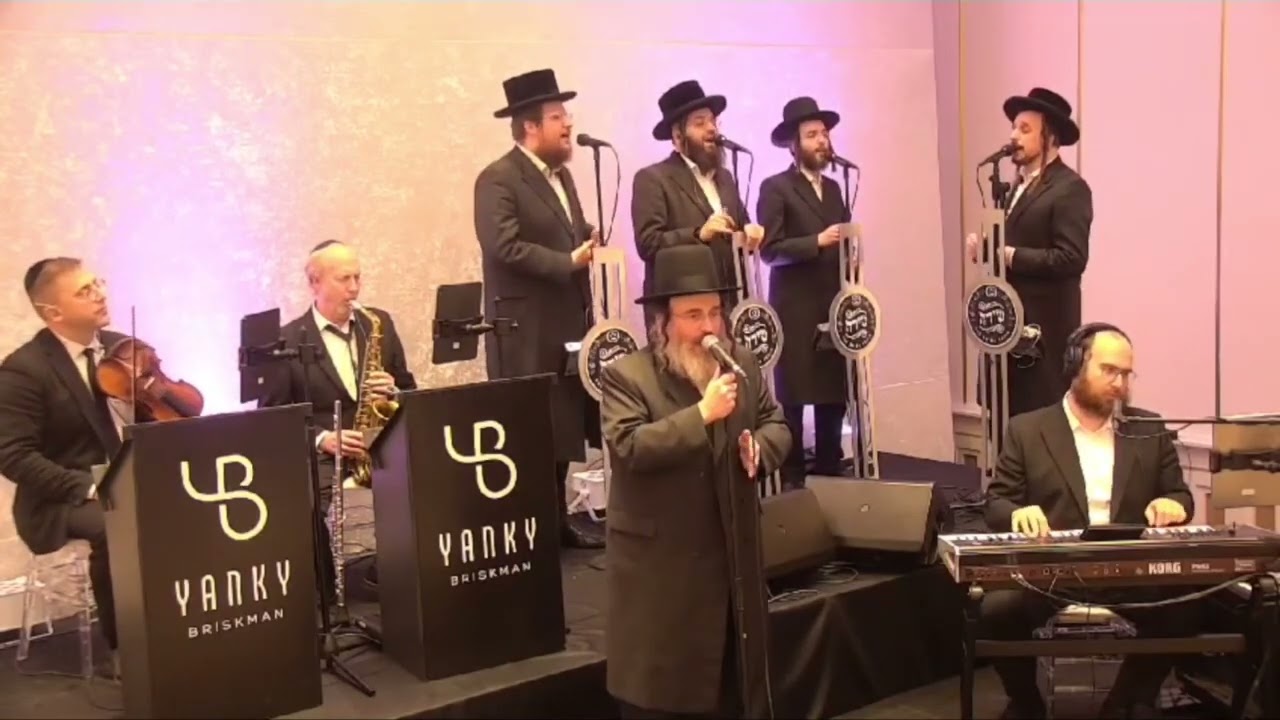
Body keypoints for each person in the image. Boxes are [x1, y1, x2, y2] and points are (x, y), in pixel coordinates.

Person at [600, 244, 791, 719]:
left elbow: (775, 423)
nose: (709, 328)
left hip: (732, 567)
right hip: (664, 577)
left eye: (714, 313)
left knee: (733, 690)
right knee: (667, 696)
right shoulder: (627, 376)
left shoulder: (740, 362)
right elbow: (630, 446)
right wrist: (702, 414)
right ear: (662, 322)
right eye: (692, 315)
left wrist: (760, 449)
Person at [982, 323, 1197, 719]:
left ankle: (1126, 702)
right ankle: (1027, 704)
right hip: (1053, 571)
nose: (1119, 384)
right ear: (1076, 365)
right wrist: (1016, 512)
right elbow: (995, 502)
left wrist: (1173, 504)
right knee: (997, 609)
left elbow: (1181, 495)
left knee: (1189, 602)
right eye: (1109, 371)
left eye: (1126, 374)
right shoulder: (1027, 429)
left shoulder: (1148, 429)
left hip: (1129, 571)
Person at [473, 68, 602, 549]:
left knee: (563, 423)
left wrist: (586, 237)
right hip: (524, 329)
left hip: (566, 321)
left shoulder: (561, 175)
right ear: (530, 126)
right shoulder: (498, 179)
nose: (568, 124)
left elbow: (564, 231)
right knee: (530, 429)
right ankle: (530, 525)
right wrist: (567, 261)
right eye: (557, 116)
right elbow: (503, 245)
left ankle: (557, 519)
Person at [0, 257, 143, 680]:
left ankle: (186, 622)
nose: (100, 294)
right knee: (117, 526)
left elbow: (160, 413)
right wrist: (89, 487)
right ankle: (127, 646)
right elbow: (13, 455)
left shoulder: (122, 348)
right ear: (54, 313)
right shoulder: (24, 370)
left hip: (127, 481)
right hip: (60, 500)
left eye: (97, 283)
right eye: (84, 291)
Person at [258, 240, 415, 595]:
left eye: (358, 277)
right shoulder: (286, 341)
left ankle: (395, 572)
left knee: (427, 475)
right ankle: (324, 592)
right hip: (325, 451)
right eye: (344, 279)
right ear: (314, 283)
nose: (355, 288)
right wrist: (322, 439)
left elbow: (409, 388)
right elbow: (272, 416)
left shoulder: (378, 323)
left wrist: (393, 391)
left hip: (378, 441)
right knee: (305, 501)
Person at [967, 87, 1093, 417]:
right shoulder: (1014, 189)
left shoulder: (1070, 188)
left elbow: (1071, 258)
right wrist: (986, 250)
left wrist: (1009, 255)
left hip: (1042, 338)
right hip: (1004, 330)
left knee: (1035, 425)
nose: (1013, 136)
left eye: (1025, 129)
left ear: (1049, 136)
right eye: (1013, 127)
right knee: (1003, 422)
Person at [756, 96, 852, 489]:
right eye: (812, 135)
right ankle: (792, 478)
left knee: (833, 394)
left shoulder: (835, 188)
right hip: (794, 309)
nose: (821, 141)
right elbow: (770, 249)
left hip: (833, 305)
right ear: (794, 144)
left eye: (824, 133)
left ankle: (830, 471)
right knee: (793, 396)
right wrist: (816, 241)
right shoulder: (776, 187)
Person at [631, 80, 764, 329]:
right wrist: (698, 234)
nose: (711, 129)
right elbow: (648, 243)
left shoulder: (725, 177)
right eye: (700, 123)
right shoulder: (653, 178)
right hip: (682, 313)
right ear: (677, 135)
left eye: (713, 121)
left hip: (732, 308)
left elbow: (740, 225)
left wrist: (750, 233)